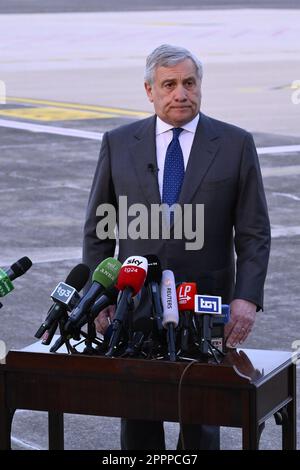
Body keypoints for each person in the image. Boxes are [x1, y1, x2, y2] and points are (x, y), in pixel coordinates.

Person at [83, 44, 271, 450]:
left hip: (206, 304)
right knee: (138, 417)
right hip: (135, 304)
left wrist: (247, 299)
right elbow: (100, 229)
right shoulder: (117, 143)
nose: (180, 93)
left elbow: (254, 232)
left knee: (203, 418)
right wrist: (102, 300)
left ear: (200, 86)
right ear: (150, 90)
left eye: (189, 83)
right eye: (169, 85)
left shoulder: (236, 144)